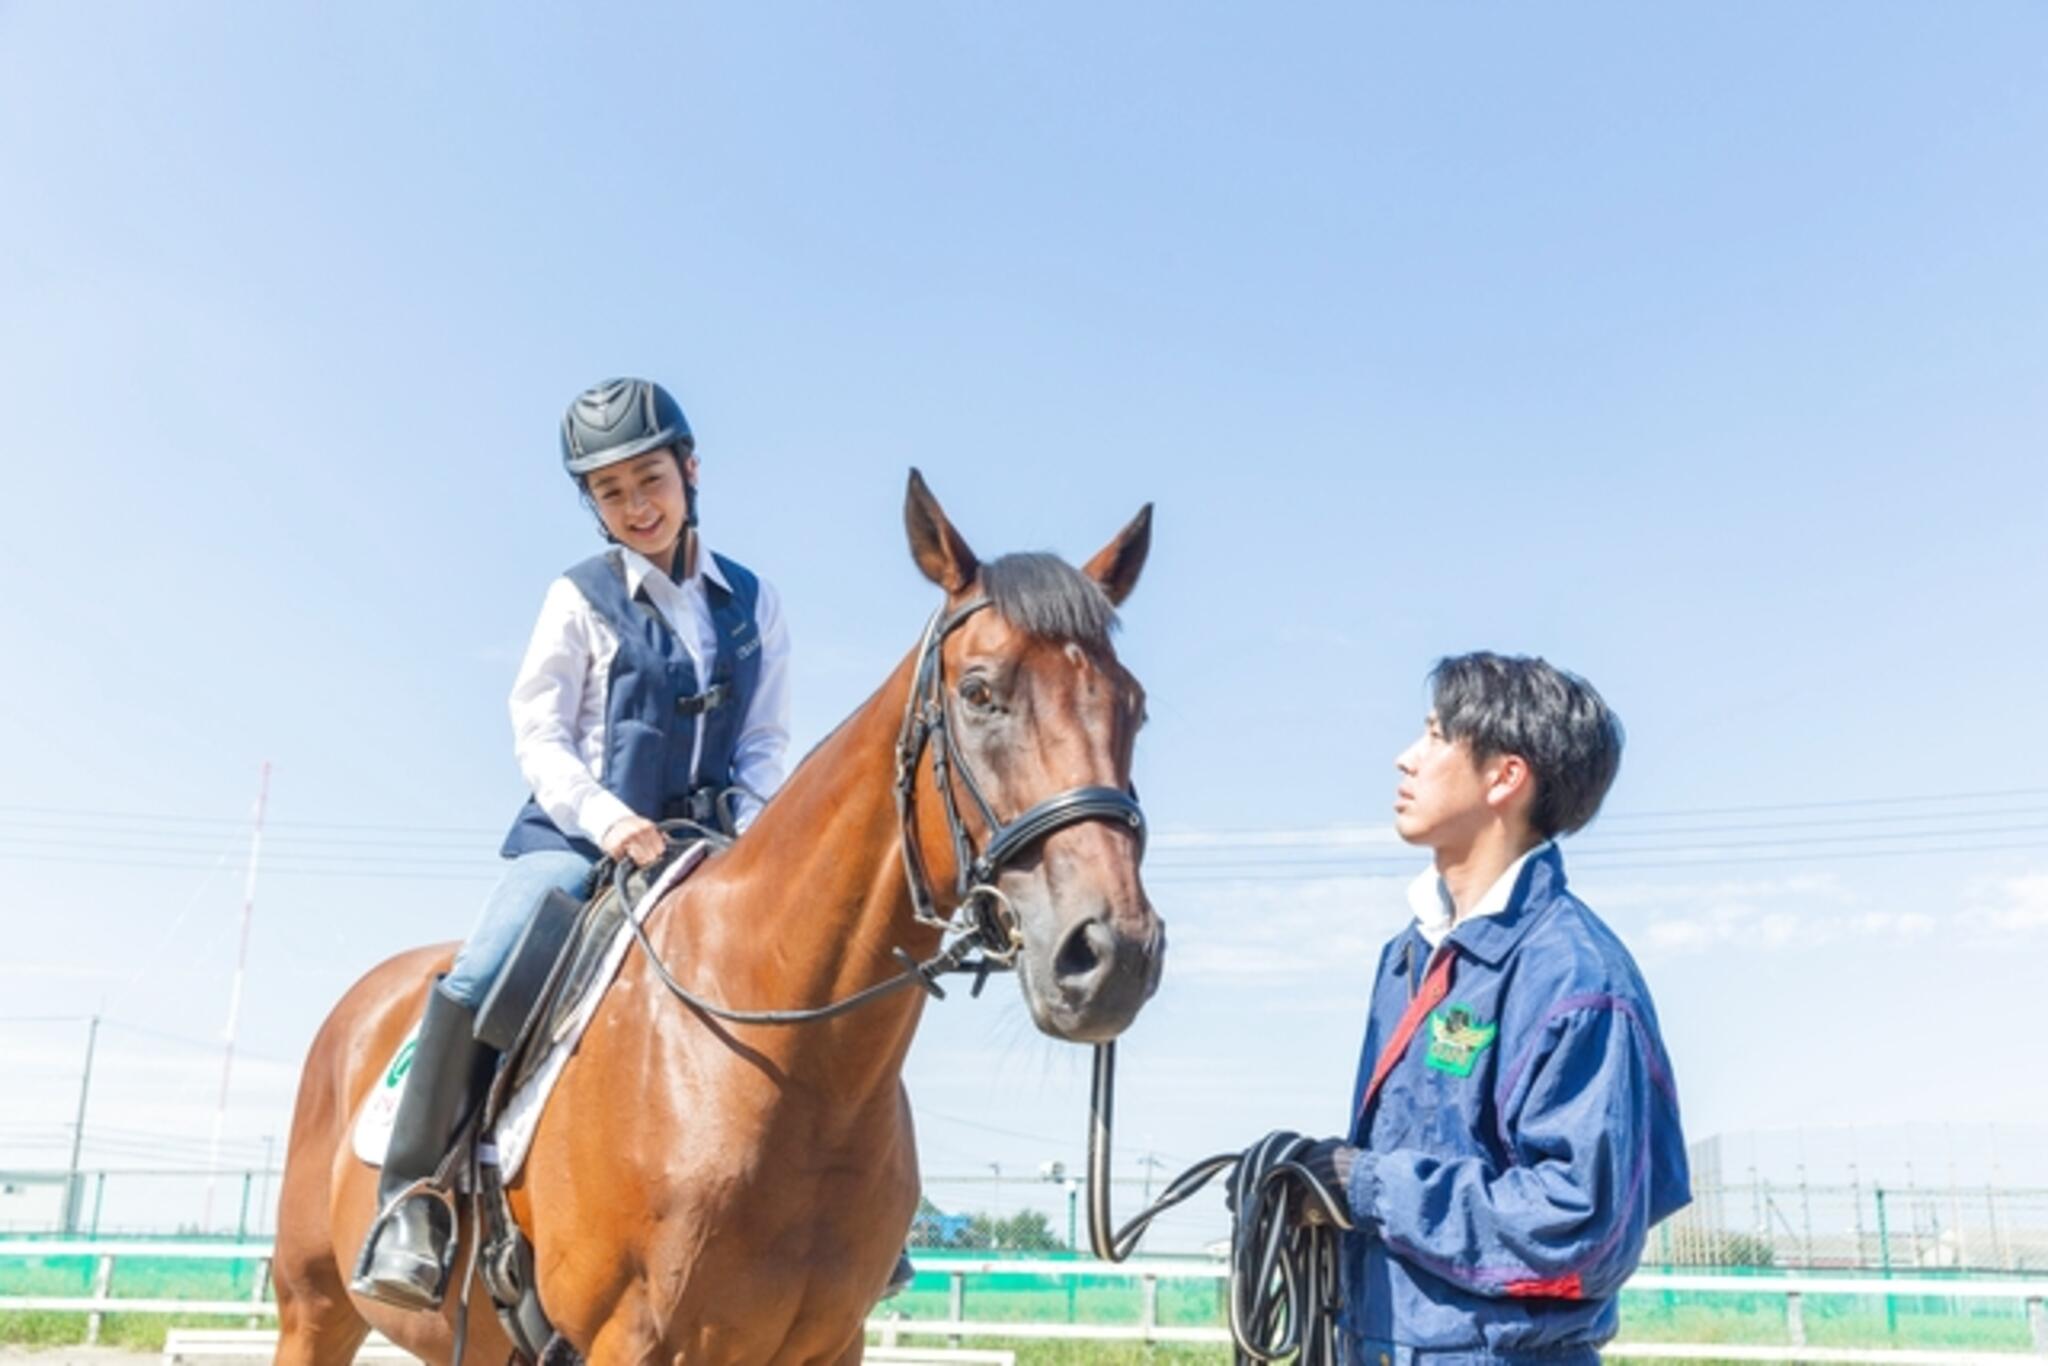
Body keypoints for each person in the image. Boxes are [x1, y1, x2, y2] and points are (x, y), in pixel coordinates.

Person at [353, 377, 792, 1309]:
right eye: (612, 492)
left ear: (691, 471)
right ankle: (414, 1203)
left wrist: (744, 834)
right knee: (481, 972)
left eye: (650, 481)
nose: (637, 506)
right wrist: (610, 821)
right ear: (591, 504)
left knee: (815, 961)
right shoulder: (578, 596)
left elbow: (763, 742)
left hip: (708, 849)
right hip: (580, 840)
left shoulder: (754, 603)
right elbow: (539, 734)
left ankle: (843, 1209)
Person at [1299, 652, 1689, 1365]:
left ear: (1505, 777)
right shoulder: (1408, 957)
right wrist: (1314, 1185)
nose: (1405, 759)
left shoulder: (1579, 977)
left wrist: (1369, 1186)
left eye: (1436, 736)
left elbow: (1580, 1226)